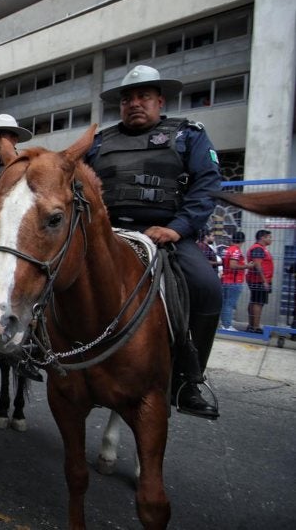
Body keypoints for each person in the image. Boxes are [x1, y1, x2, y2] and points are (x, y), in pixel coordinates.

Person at [86, 64, 222, 419]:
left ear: (160, 100)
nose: (134, 103)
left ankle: (188, 379)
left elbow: (206, 186)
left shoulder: (188, 135)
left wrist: (178, 227)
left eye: (143, 96)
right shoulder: (100, 142)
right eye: (128, 98)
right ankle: (42, 352)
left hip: (166, 236)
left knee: (207, 288)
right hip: (109, 234)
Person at [246, 229, 274, 334]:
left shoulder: (260, 248)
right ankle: (255, 327)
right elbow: (258, 265)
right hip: (259, 281)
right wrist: (264, 281)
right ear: (263, 238)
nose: (271, 239)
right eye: (269, 237)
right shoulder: (258, 249)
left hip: (258, 280)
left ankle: (252, 325)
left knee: (254, 301)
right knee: (258, 302)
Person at [220, 231, 248, 331]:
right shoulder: (236, 250)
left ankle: (224, 324)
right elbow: (233, 265)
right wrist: (248, 266)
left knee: (225, 304)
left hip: (226, 280)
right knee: (229, 304)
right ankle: (227, 326)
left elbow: (224, 263)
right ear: (243, 240)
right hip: (234, 281)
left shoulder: (226, 250)